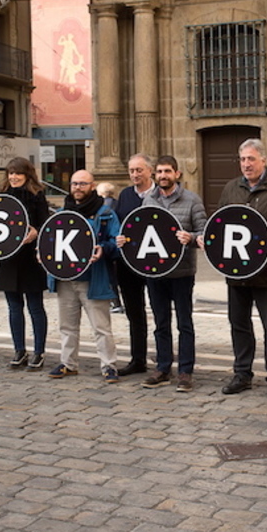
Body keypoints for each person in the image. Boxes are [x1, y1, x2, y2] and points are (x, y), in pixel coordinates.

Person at [202, 138, 267, 399]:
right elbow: (221, 223)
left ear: (263, 160)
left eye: (251, 159)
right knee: (239, 325)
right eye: (243, 159)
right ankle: (242, 373)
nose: (246, 164)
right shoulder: (230, 188)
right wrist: (208, 240)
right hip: (237, 272)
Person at [130, 155, 207, 392]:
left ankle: (185, 371)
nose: (163, 176)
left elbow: (204, 232)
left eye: (167, 172)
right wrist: (127, 240)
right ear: (155, 175)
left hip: (182, 272)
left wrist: (192, 238)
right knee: (161, 322)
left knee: (185, 323)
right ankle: (163, 367)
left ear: (177, 174)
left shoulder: (192, 200)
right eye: (160, 172)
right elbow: (141, 231)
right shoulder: (148, 201)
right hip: (155, 273)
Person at [48, 170, 122, 383]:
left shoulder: (105, 213)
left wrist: (104, 249)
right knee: (67, 325)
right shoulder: (62, 212)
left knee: (101, 327)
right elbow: (52, 241)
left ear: (92, 185)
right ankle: (68, 363)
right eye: (74, 184)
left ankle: (109, 365)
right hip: (66, 278)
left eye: (82, 184)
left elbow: (116, 243)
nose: (77, 188)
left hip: (94, 277)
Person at [0, 157, 50, 371]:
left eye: (18, 173)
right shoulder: (2, 197)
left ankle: (39, 352)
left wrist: (36, 232)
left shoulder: (37, 196)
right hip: (9, 258)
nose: (13, 177)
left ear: (27, 175)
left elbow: (46, 224)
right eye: (10, 173)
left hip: (30, 258)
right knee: (14, 307)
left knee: (35, 307)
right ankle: (19, 350)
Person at [114, 154, 156, 375]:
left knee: (160, 313)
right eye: (131, 171)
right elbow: (119, 225)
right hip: (128, 264)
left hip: (156, 264)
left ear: (150, 171)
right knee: (134, 313)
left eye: (139, 170)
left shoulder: (160, 194)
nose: (135, 175)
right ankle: (138, 359)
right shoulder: (125, 195)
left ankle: (164, 359)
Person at [96, 180, 123, 313]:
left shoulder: (104, 207)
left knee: (110, 276)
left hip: (107, 245)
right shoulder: (118, 203)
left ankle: (115, 302)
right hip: (118, 244)